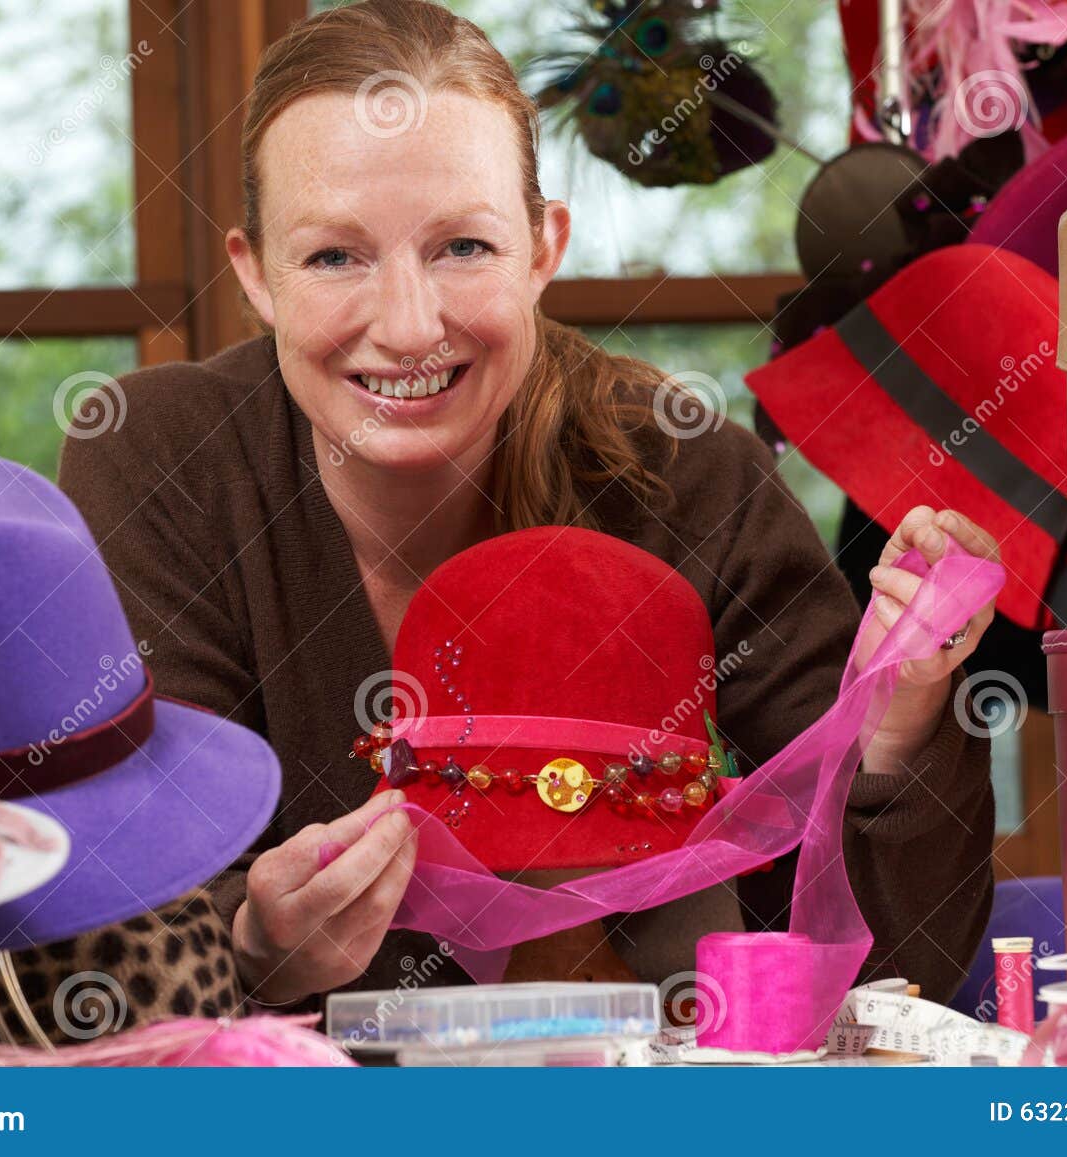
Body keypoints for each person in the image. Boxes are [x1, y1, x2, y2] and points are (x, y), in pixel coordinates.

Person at [58, 0, 1000, 1012]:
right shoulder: (159, 456)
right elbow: (111, 936)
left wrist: (895, 729)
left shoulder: (684, 468)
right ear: (256, 275)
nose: (409, 325)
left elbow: (901, 968)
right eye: (334, 256)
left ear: (544, 248)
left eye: (463, 247)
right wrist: (249, 940)